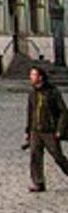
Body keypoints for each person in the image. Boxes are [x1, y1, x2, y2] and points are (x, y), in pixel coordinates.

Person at [25, 65, 68, 193]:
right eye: (31, 75)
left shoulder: (52, 92)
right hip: (35, 130)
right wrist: (28, 130)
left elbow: (63, 112)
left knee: (58, 156)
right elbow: (30, 112)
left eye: (33, 75)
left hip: (50, 130)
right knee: (35, 156)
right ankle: (38, 183)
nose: (30, 77)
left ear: (40, 77)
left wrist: (60, 129)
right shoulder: (32, 93)